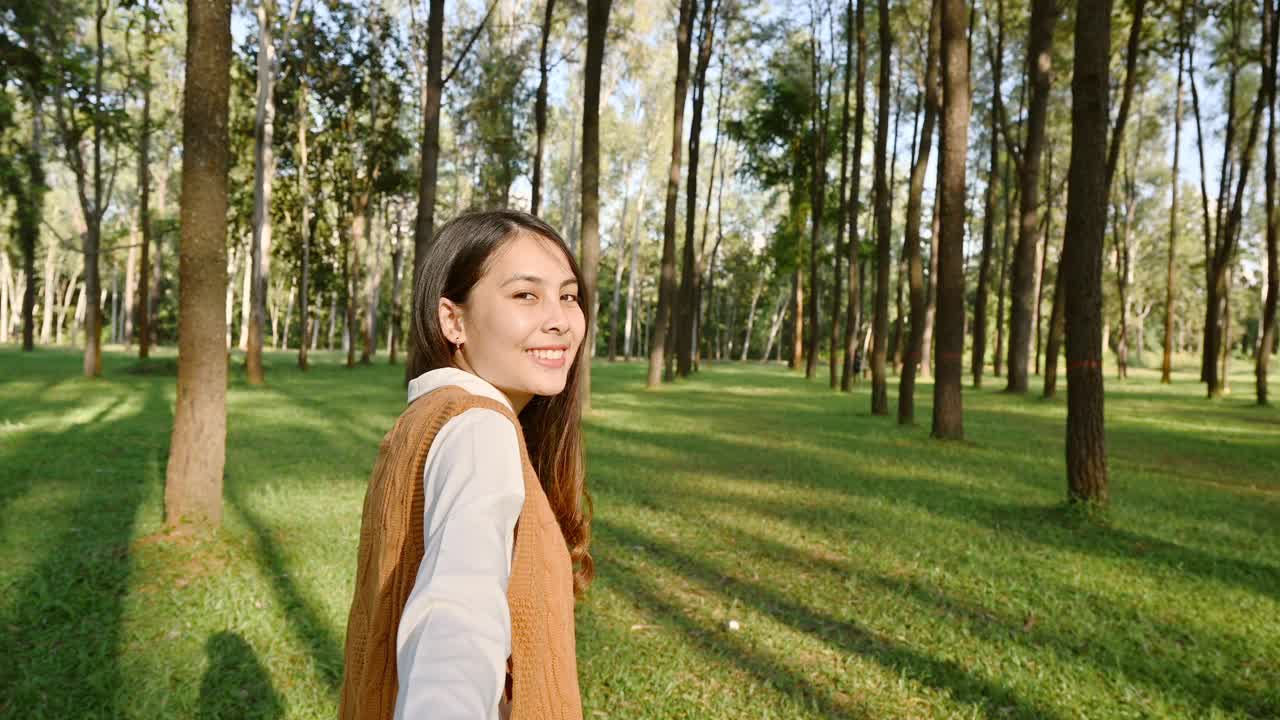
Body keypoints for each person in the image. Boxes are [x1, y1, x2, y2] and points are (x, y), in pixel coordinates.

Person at [339, 210, 594, 720]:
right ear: (453, 320)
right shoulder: (480, 429)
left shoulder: (427, 418)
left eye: (567, 295)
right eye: (526, 294)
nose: (559, 319)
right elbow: (456, 621)